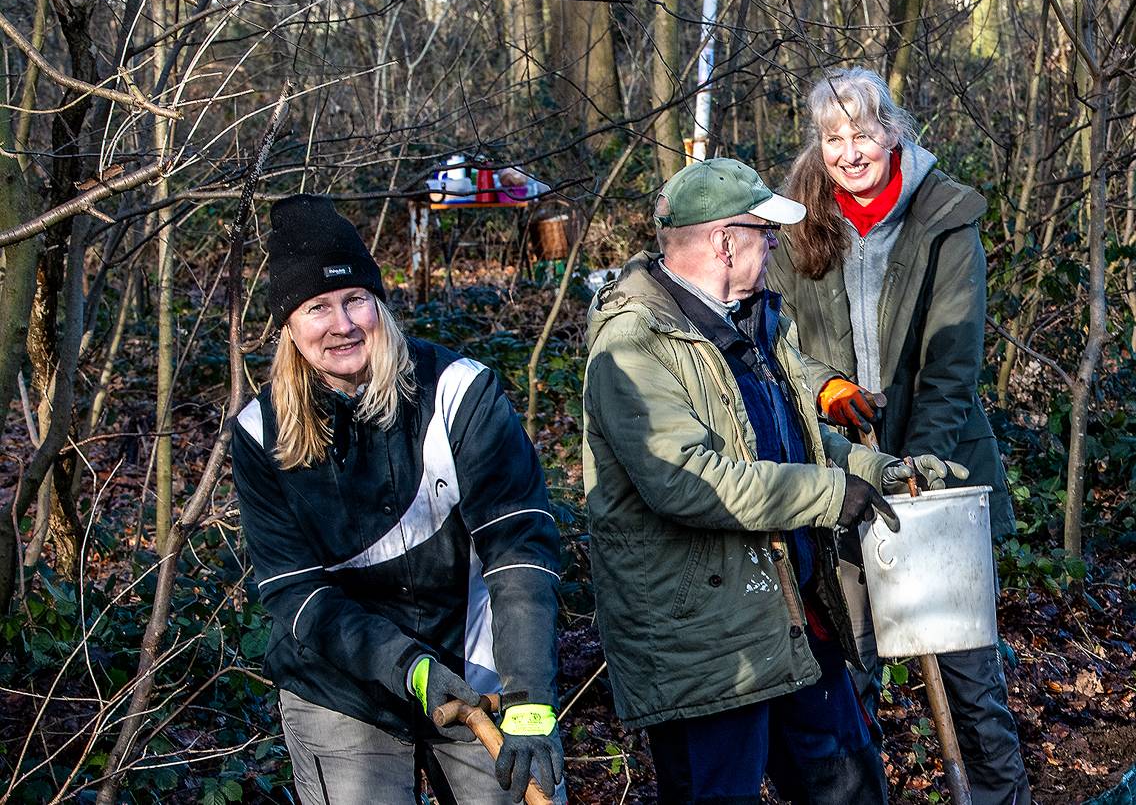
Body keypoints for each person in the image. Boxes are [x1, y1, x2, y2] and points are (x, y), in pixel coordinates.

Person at [581, 157, 962, 804]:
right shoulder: (632, 347)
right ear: (724, 242)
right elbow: (691, 481)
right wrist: (828, 494)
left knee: (848, 785)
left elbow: (800, 439)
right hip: (705, 646)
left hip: (792, 618)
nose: (775, 248)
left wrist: (881, 471)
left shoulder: (755, 322)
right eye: (766, 235)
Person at [232, 194, 565, 804]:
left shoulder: (461, 394)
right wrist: (408, 667)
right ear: (288, 327)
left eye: (356, 299)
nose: (343, 323)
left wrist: (530, 705)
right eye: (317, 308)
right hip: (340, 687)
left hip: (481, 673)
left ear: (380, 305)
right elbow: (293, 593)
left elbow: (519, 549)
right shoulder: (260, 432)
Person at [767, 66, 1032, 805]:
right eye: (832, 138)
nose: (849, 151)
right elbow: (779, 340)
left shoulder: (946, 214)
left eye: (861, 133)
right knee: (851, 675)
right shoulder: (793, 223)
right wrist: (827, 390)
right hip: (838, 474)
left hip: (934, 472)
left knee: (967, 673)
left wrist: (915, 470)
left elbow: (953, 365)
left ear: (892, 132)